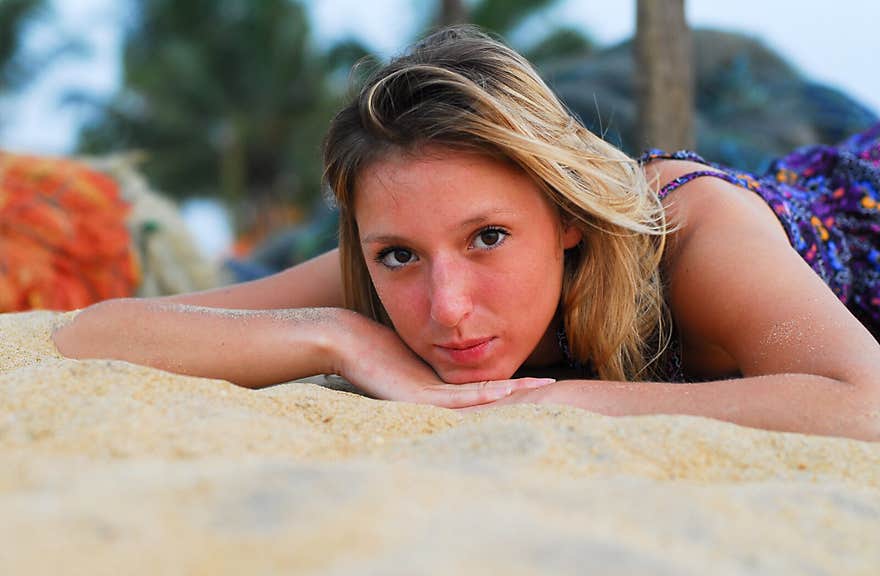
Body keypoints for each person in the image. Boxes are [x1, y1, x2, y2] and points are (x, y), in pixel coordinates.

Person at [52, 27, 880, 442]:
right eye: (400, 256)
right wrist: (339, 335)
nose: (445, 307)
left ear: (563, 214)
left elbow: (864, 400)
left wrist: (553, 399)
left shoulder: (689, 232)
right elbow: (97, 332)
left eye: (487, 238)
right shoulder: (387, 260)